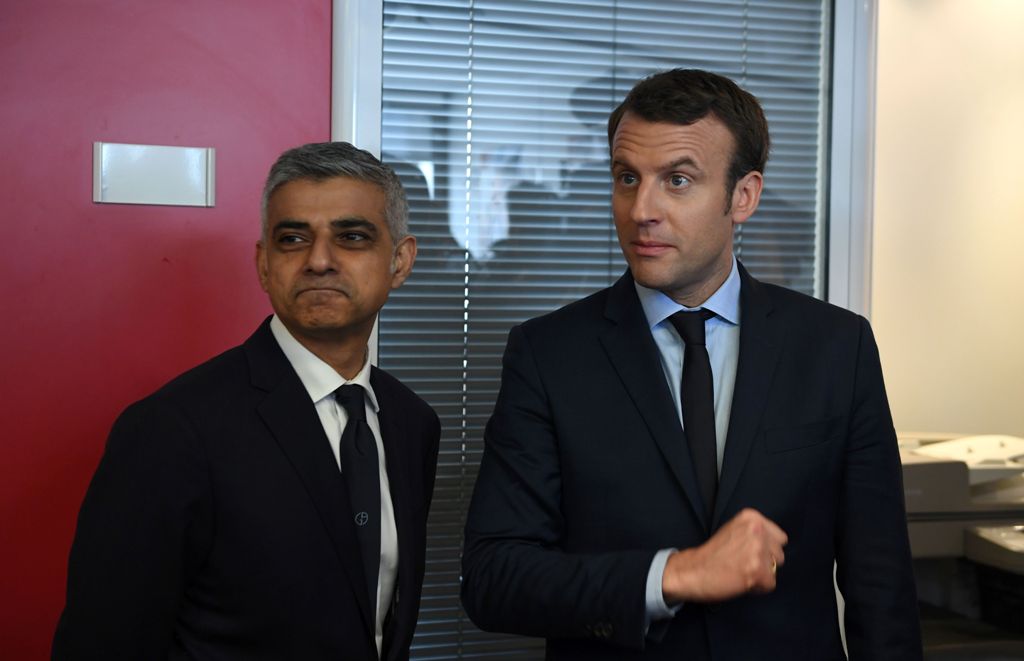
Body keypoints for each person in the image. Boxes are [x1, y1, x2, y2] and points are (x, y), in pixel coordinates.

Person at [461, 69, 921, 660]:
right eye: (627, 178)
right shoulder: (548, 354)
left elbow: (880, 584)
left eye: (677, 180)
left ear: (743, 197)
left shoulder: (837, 347)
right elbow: (495, 578)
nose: (641, 210)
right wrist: (672, 575)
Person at [53, 142, 440, 660]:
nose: (319, 260)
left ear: (400, 261)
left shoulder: (413, 424)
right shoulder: (171, 430)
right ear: (263, 264)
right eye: (293, 239)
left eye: (351, 236)